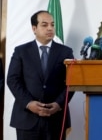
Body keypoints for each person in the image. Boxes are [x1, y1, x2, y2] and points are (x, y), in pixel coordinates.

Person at [7, 10, 74, 140]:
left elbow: (72, 81)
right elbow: (12, 80)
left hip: (56, 119)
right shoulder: (21, 51)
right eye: (44, 25)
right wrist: (28, 103)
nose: (50, 28)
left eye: (52, 24)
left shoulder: (65, 52)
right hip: (26, 119)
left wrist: (59, 104)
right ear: (34, 28)